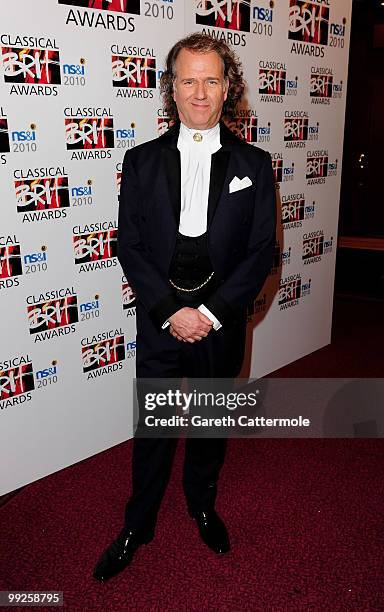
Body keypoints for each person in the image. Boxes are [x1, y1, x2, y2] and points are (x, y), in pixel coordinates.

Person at [93, 32, 276, 582]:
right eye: (188, 79)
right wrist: (170, 311)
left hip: (219, 323)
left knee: (208, 425)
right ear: (171, 89)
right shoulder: (140, 161)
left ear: (228, 89)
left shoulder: (256, 163)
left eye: (211, 80)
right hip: (159, 318)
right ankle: (138, 523)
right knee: (153, 428)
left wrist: (213, 314)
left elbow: (262, 250)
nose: (200, 92)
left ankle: (202, 503)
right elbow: (130, 246)